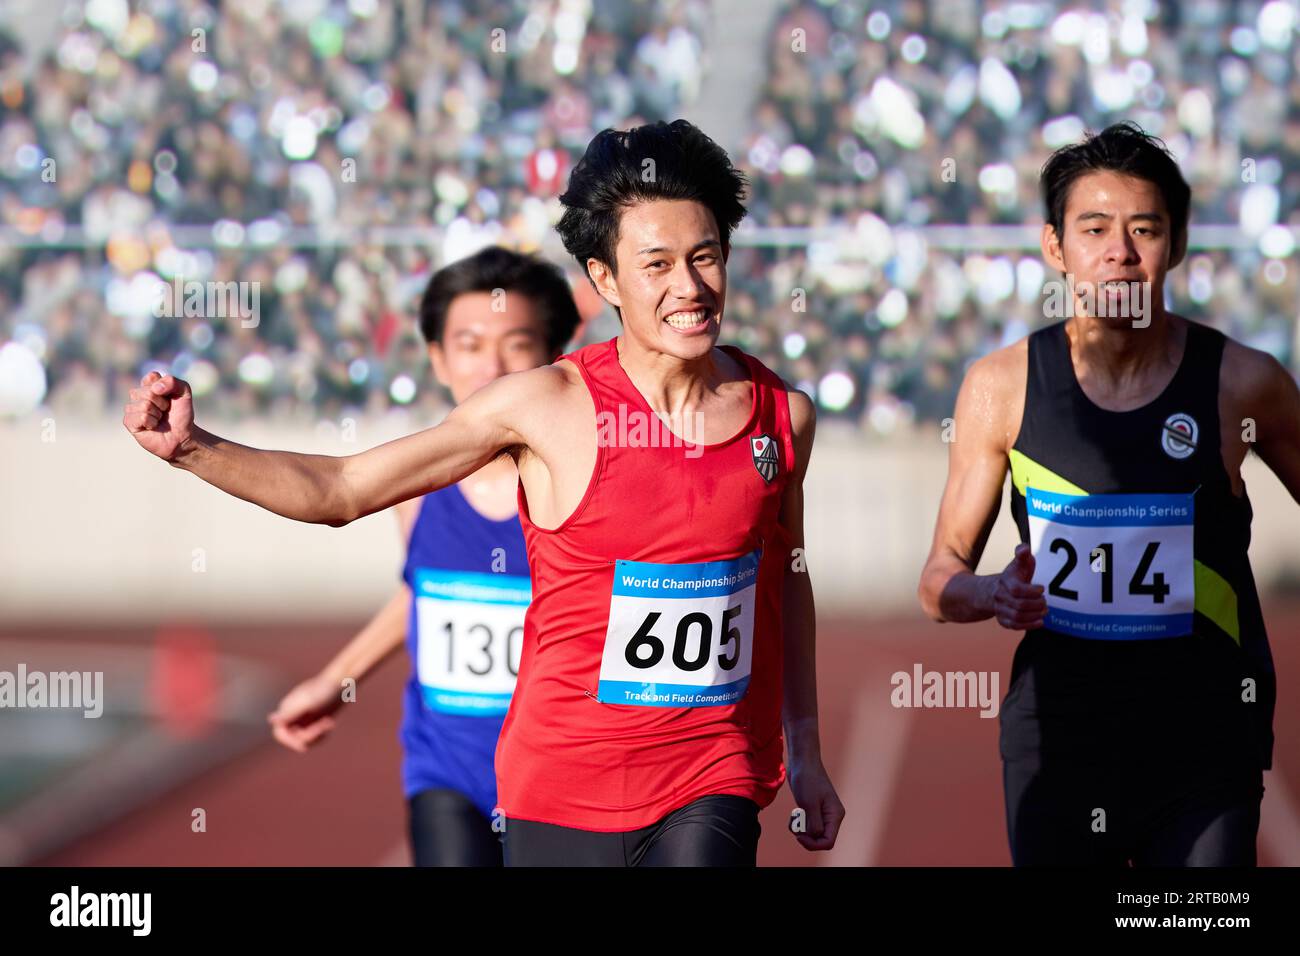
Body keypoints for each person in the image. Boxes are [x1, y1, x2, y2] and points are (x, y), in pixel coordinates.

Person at [124, 119, 843, 867]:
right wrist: (195, 450)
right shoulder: (544, 407)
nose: (689, 288)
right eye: (656, 264)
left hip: (710, 772)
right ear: (604, 278)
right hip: (559, 786)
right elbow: (342, 488)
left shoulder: (779, 415)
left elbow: (787, 582)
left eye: (705, 257)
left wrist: (807, 749)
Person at [918, 122, 1300, 866]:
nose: (1120, 252)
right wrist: (991, 592)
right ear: (1055, 248)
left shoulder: (1243, 384)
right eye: (1094, 229)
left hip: (1208, 739)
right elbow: (938, 581)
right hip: (1061, 740)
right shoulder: (1000, 389)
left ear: (1178, 244)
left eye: (1144, 230)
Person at [266, 246, 581, 866]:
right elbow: (422, 591)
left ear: (555, 360)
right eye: (468, 344)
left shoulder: (579, 485)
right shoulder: (416, 492)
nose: (491, 366)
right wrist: (338, 677)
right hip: (447, 771)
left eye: (516, 344)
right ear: (438, 358)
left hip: (558, 777)